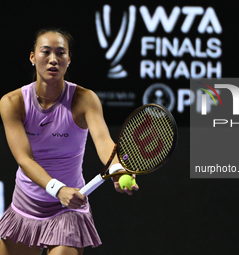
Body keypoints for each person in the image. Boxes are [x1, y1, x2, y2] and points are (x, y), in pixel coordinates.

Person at [0, 28, 139, 255]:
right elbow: (24, 159)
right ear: (32, 57)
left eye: (61, 53)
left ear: (68, 60)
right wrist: (58, 189)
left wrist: (117, 168)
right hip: (27, 205)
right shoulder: (12, 102)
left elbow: (103, 140)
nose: (53, 59)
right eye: (46, 52)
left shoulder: (85, 99)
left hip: (68, 207)